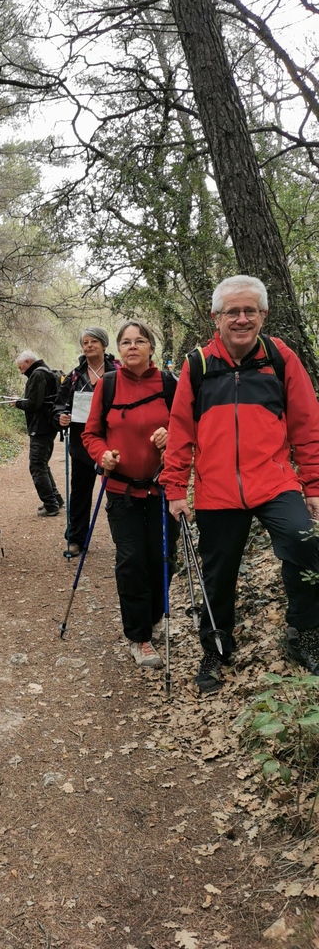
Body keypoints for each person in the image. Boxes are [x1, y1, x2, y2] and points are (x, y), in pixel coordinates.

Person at [163, 275, 319, 692]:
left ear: (263, 314)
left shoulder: (281, 358)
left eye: (250, 310)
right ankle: (216, 648)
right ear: (216, 317)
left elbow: (306, 425)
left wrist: (313, 484)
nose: (242, 318)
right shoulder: (197, 364)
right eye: (232, 311)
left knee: (304, 542)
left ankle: (304, 634)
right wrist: (176, 488)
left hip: (274, 482)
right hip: (217, 489)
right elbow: (180, 431)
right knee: (218, 574)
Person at [82, 320, 178, 669]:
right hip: (122, 491)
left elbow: (189, 428)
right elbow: (91, 434)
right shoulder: (107, 385)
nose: (132, 346)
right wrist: (102, 454)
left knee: (162, 558)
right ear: (118, 350)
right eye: (125, 342)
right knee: (131, 560)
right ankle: (139, 637)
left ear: (151, 348)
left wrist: (173, 435)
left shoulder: (170, 384)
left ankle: (154, 617)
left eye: (140, 341)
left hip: (163, 489)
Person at [54, 327, 119, 553]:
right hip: (82, 442)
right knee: (80, 492)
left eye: (94, 341)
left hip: (113, 441)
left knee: (116, 491)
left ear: (104, 344)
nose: (89, 345)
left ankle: (123, 540)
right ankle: (76, 539)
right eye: (85, 342)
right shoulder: (74, 376)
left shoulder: (118, 371)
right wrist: (61, 416)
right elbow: (60, 404)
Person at [12, 350, 64, 517]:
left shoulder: (38, 375)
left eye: (21, 368)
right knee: (42, 464)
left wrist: (17, 403)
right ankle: (56, 500)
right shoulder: (45, 372)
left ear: (27, 362)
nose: (21, 372)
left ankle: (51, 505)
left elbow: (34, 404)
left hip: (41, 428)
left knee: (36, 465)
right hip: (47, 427)